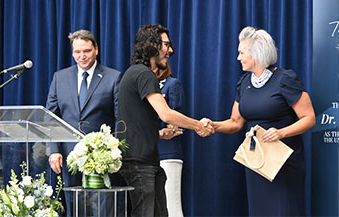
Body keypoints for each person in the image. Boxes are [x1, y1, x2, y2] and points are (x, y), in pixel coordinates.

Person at [210, 26, 315, 216]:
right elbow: (235, 122)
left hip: (283, 163)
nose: (238, 58)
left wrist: (281, 132)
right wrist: (213, 126)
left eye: (242, 53)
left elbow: (309, 118)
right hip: (257, 162)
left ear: (256, 53)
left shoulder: (285, 79)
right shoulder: (244, 83)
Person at [117, 24, 214, 217]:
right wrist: (198, 125)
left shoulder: (136, 73)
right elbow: (167, 115)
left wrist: (160, 134)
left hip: (147, 162)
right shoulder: (143, 74)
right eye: (166, 45)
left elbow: (141, 119)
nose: (170, 50)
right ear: (151, 45)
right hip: (139, 165)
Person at [46, 29, 122, 216]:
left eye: (86, 51)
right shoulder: (59, 78)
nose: (82, 56)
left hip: (103, 158)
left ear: (96, 49)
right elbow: (50, 118)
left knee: (103, 209)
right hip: (68, 156)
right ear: (72, 53)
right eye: (77, 52)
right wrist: (54, 149)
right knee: (75, 208)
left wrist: (115, 151)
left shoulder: (114, 77)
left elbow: (121, 118)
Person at [157, 63, 185, 217]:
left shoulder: (172, 84)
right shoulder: (144, 87)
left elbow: (176, 116)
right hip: (148, 152)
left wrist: (168, 130)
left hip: (168, 152)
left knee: (171, 205)